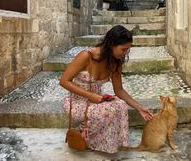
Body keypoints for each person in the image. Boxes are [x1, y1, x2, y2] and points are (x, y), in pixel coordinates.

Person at [60, 25, 153, 154]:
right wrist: (90, 96)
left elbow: (119, 90)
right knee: (108, 111)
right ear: (111, 44)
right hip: (77, 102)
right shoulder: (86, 56)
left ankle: (99, 140)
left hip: (97, 101)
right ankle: (83, 133)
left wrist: (139, 107)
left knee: (120, 105)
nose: (126, 53)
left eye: (128, 49)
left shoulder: (115, 62)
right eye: (124, 49)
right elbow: (64, 81)